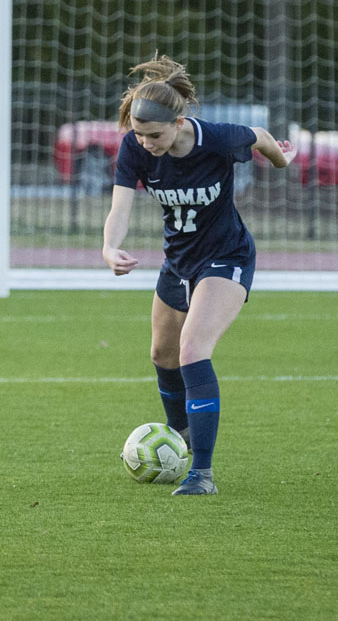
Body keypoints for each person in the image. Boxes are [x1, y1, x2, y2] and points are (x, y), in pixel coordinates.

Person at [101, 56, 297, 496]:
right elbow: (120, 207)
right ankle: (180, 437)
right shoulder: (133, 148)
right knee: (163, 355)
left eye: (155, 135)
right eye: (138, 133)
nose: (145, 143)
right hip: (179, 261)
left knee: (192, 349)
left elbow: (262, 138)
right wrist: (110, 246)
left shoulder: (217, 139)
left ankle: (201, 474)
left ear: (179, 122)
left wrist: (282, 162)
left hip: (226, 256)